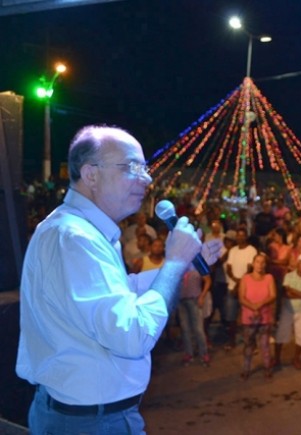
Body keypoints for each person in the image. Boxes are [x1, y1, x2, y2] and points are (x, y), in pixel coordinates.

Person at [16, 125, 221, 434]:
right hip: (91, 423)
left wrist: (184, 266)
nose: (147, 178)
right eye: (131, 167)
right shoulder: (73, 238)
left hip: (86, 417)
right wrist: (175, 262)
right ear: (91, 175)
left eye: (145, 168)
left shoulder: (86, 232)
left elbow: (118, 294)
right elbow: (132, 335)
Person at [238, 253, 277, 380]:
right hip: (248, 317)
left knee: (265, 345)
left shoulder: (269, 278)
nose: (260, 265)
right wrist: (253, 307)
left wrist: (259, 305)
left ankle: (267, 368)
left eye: (262, 262)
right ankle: (246, 369)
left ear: (265, 265)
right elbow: (241, 298)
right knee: (249, 345)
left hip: (264, 317)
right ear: (253, 263)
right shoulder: (246, 278)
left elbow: (273, 295)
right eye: (257, 262)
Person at [274, 254, 301, 370]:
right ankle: (277, 359)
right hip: (288, 309)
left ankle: (296, 358)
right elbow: (286, 294)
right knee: (281, 334)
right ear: (297, 263)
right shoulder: (288, 276)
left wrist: (293, 291)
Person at [224, 228, 258, 349]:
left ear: (246, 237)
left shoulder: (251, 250)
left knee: (249, 317)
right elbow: (228, 268)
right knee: (231, 317)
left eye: (242, 236)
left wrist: (239, 284)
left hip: (246, 288)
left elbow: (249, 270)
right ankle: (232, 341)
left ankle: (251, 343)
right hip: (232, 286)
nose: (239, 238)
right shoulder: (233, 250)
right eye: (238, 236)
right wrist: (235, 280)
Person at [178, 268, 212, 366]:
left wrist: (202, 295)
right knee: (185, 329)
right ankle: (189, 353)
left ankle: (204, 353)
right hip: (181, 301)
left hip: (194, 300)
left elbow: (208, 280)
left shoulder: (198, 262)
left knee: (198, 329)